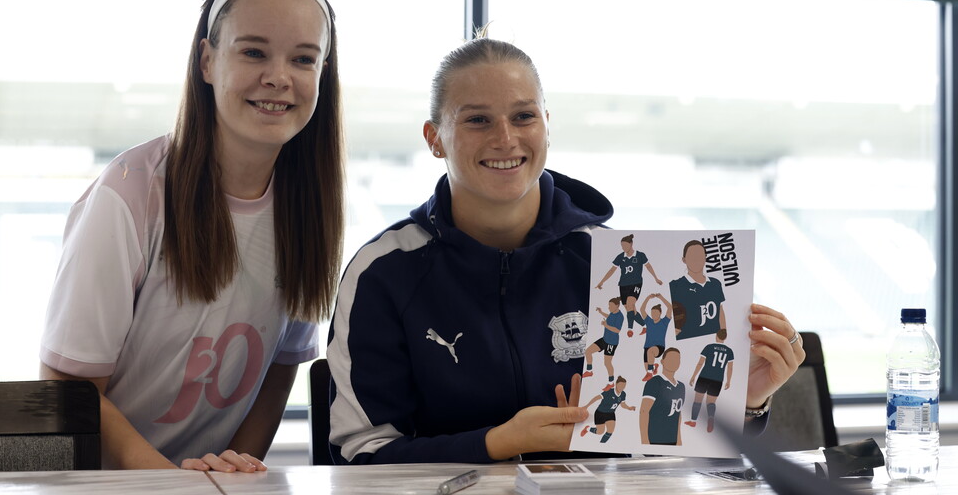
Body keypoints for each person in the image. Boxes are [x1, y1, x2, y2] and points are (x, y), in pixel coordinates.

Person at [327, 36, 806, 464]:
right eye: (477, 119)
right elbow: (360, 453)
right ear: (435, 139)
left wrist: (745, 403)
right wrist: (496, 443)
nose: (505, 139)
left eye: (523, 116)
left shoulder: (621, 264)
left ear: (547, 126)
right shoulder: (382, 274)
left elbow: (677, 441)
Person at [39, 0, 346, 471]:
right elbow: (65, 387)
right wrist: (168, 482)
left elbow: (282, 366)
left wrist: (236, 467)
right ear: (207, 61)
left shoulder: (308, 205)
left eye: (303, 59)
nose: (278, 77)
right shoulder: (130, 195)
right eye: (253, 52)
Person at [595, 234, 663, 337]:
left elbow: (648, 266)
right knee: (630, 310)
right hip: (623, 285)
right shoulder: (620, 257)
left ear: (631, 244)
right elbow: (612, 270)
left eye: (625, 245)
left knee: (631, 304)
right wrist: (601, 282)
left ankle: (629, 329)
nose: (623, 248)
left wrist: (656, 278)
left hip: (636, 283)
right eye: (622, 246)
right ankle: (645, 325)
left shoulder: (640, 255)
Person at [670, 240, 726, 340]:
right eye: (692, 256)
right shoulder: (674, 286)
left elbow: (720, 310)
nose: (696, 260)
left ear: (705, 258)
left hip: (711, 340)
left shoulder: (715, 284)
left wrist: (723, 332)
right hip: (687, 341)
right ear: (684, 259)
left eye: (699, 255)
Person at [686, 329, 735, 433]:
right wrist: (728, 381)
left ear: (716, 336)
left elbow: (700, 363)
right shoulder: (729, 351)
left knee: (697, 400)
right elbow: (730, 368)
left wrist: (693, 376)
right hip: (717, 380)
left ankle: (693, 421)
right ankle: (711, 418)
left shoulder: (709, 347)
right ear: (725, 338)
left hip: (704, 377)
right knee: (711, 402)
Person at [639, 348, 685, 446]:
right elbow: (644, 411)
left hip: (672, 439)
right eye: (671, 358)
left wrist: (679, 439)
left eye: (677, 359)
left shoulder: (681, 386)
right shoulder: (655, 382)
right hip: (655, 439)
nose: (674, 362)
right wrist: (644, 441)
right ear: (662, 361)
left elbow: (678, 414)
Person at [581, 298, 625, 390]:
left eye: (611, 306)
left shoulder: (620, 316)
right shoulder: (612, 313)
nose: (609, 307)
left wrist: (606, 325)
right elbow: (609, 316)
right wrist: (601, 312)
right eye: (609, 306)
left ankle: (611, 382)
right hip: (605, 339)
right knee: (588, 351)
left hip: (611, 343)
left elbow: (617, 330)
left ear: (617, 306)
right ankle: (589, 371)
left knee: (607, 363)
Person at [580, 377, 635, 444]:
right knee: (600, 432)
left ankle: (601, 444)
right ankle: (587, 428)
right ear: (616, 384)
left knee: (610, 431)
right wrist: (586, 406)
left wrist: (629, 408)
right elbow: (597, 398)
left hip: (610, 414)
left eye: (624, 386)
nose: (622, 387)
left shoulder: (623, 394)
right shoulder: (609, 391)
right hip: (600, 413)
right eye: (620, 385)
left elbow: (622, 404)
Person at [638, 292, 673, 382]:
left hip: (659, 347)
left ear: (660, 313)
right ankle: (654, 366)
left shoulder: (664, 322)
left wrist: (661, 297)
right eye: (652, 313)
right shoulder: (649, 321)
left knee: (651, 352)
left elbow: (670, 307)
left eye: (655, 313)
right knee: (647, 369)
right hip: (647, 346)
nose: (653, 315)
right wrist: (648, 298)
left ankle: (650, 370)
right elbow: (642, 309)